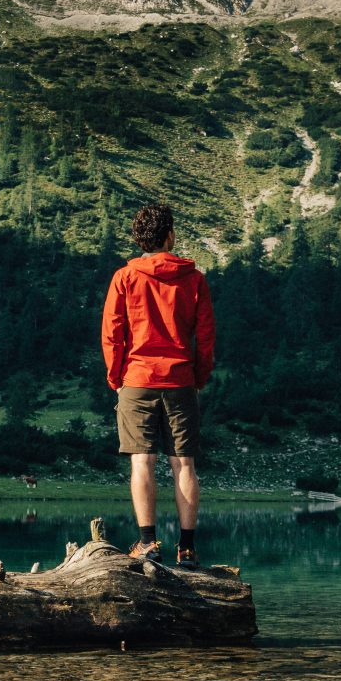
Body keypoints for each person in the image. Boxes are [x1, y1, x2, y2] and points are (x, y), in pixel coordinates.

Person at [102, 202, 216, 567]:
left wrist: (116, 378)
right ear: (169, 235)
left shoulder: (125, 277)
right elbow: (207, 337)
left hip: (137, 379)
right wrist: (198, 377)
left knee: (142, 462)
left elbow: (112, 334)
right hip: (181, 379)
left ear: (139, 238)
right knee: (184, 465)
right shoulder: (194, 279)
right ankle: (187, 548)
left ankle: (148, 543)